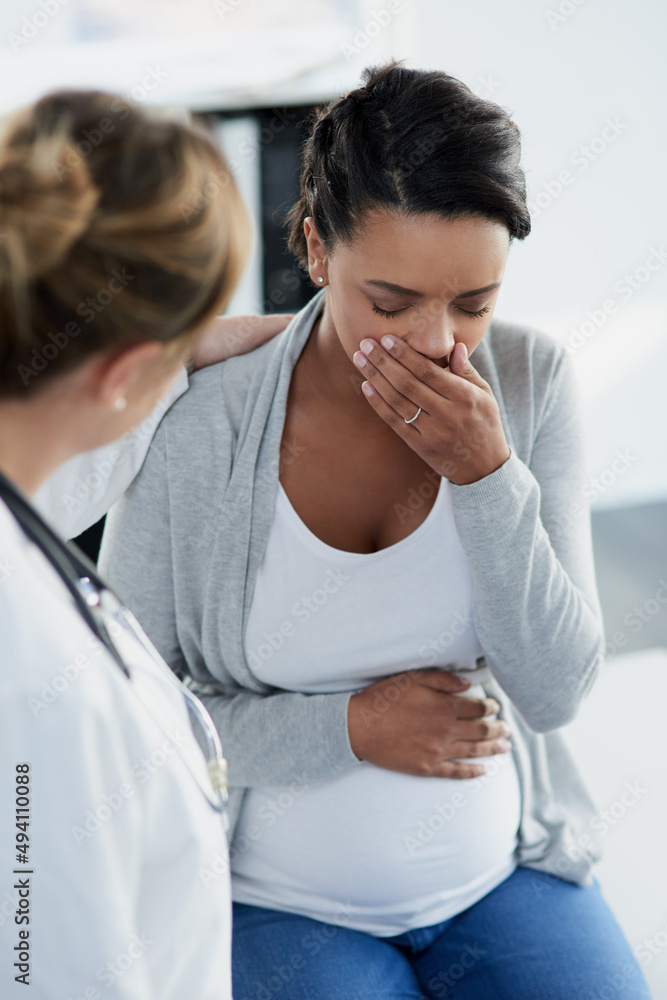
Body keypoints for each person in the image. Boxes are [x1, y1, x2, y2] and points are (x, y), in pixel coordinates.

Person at [99, 63, 653, 999]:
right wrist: (347, 728)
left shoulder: (527, 382)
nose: (437, 344)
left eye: (473, 304)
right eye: (389, 304)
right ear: (316, 250)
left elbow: (555, 691)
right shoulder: (202, 425)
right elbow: (131, 725)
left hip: (499, 881)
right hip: (280, 906)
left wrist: (485, 478)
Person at [0, 89, 286, 999]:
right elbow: (50, 969)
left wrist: (184, 351)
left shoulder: (31, 481)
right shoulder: (37, 688)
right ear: (124, 370)